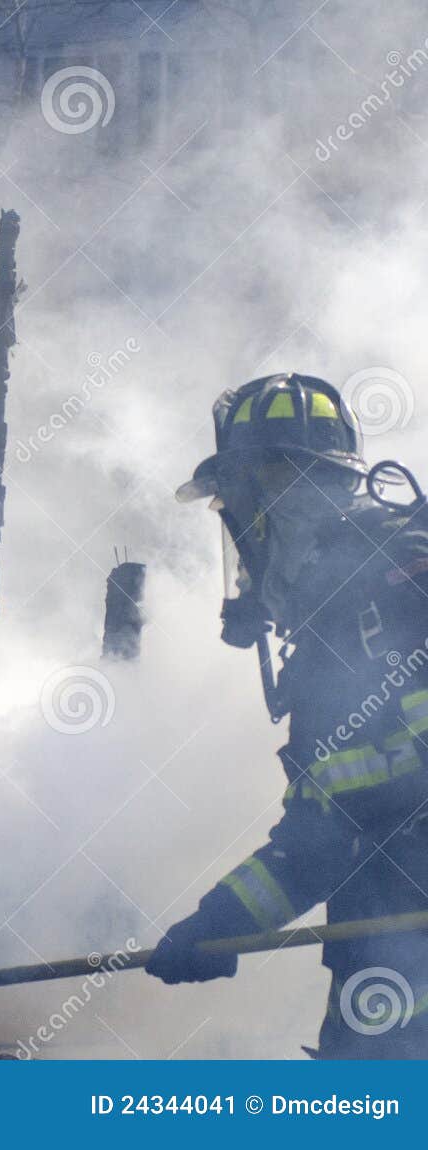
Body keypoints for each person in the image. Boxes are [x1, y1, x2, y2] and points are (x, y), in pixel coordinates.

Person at [150, 372, 428, 1057]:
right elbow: (325, 827)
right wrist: (220, 923)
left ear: (280, 496)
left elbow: (331, 836)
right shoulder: (345, 618)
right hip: (390, 951)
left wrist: (219, 923)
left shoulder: (390, 596)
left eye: (241, 514)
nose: (243, 555)